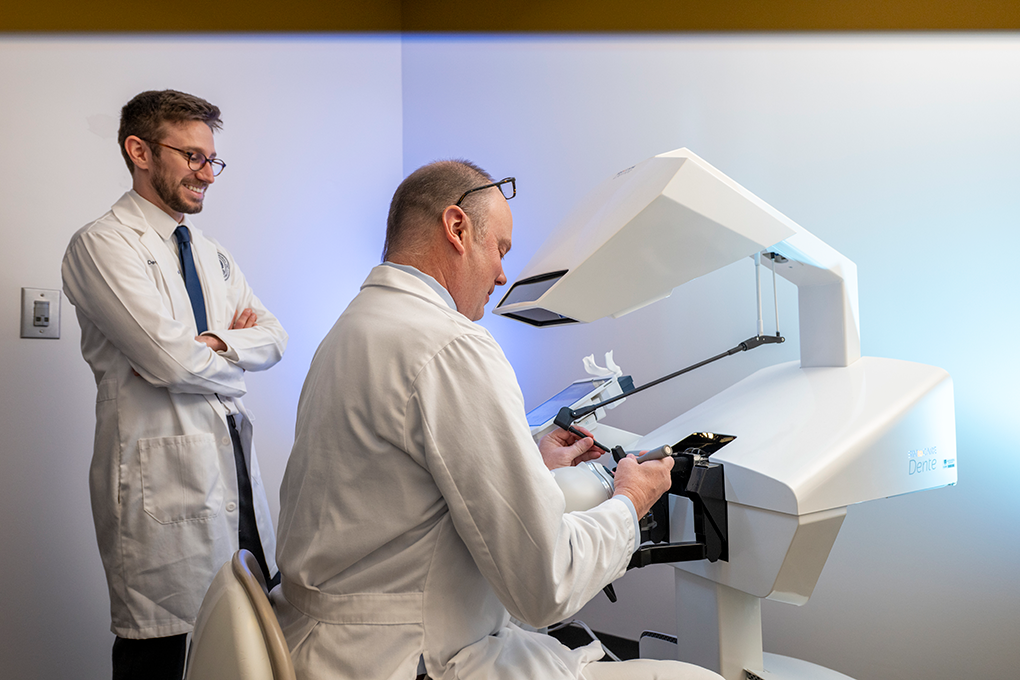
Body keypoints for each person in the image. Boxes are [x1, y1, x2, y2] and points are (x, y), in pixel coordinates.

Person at [272, 160, 722, 680]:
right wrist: (632, 501)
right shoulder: (452, 344)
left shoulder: (353, 327)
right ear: (457, 229)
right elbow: (545, 586)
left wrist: (527, 458)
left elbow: (391, 484)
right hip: (408, 659)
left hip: (327, 644)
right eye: (501, 249)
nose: (503, 274)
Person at [61, 89, 288, 680]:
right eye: (191, 156)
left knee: (243, 649)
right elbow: (171, 363)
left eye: (212, 159)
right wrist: (220, 353)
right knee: (158, 656)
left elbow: (275, 337)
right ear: (139, 150)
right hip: (158, 485)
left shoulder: (212, 255)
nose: (207, 173)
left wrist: (211, 345)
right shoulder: (102, 245)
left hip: (231, 469)